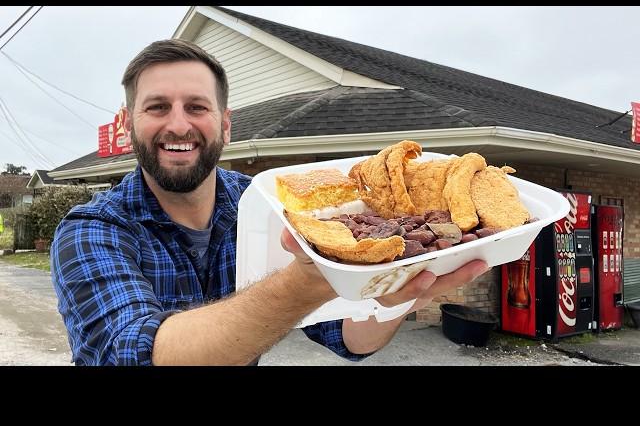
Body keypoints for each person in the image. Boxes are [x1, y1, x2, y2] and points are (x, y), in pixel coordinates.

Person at [51, 39, 489, 366]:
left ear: (225, 126)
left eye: (197, 107)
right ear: (128, 126)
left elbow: (346, 336)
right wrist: (309, 281)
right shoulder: (91, 229)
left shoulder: (267, 203)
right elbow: (130, 351)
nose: (179, 124)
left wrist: (397, 296)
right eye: (158, 107)